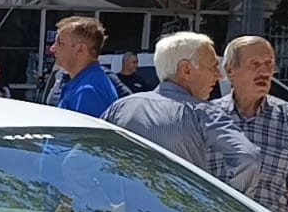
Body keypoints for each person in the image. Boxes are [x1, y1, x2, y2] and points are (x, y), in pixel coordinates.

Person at [101, 32, 259, 193]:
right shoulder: (203, 113)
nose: (219, 76)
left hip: (125, 207)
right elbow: (247, 157)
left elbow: (93, 157)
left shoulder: (121, 108)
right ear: (186, 70)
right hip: (185, 208)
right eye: (213, 67)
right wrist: (225, 204)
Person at [210, 35, 288, 212]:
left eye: (269, 64)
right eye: (255, 64)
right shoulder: (207, 116)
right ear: (230, 70)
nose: (265, 72)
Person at [51, 17, 121, 118]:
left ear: (80, 49)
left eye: (60, 43)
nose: (52, 49)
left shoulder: (88, 91)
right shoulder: (86, 82)